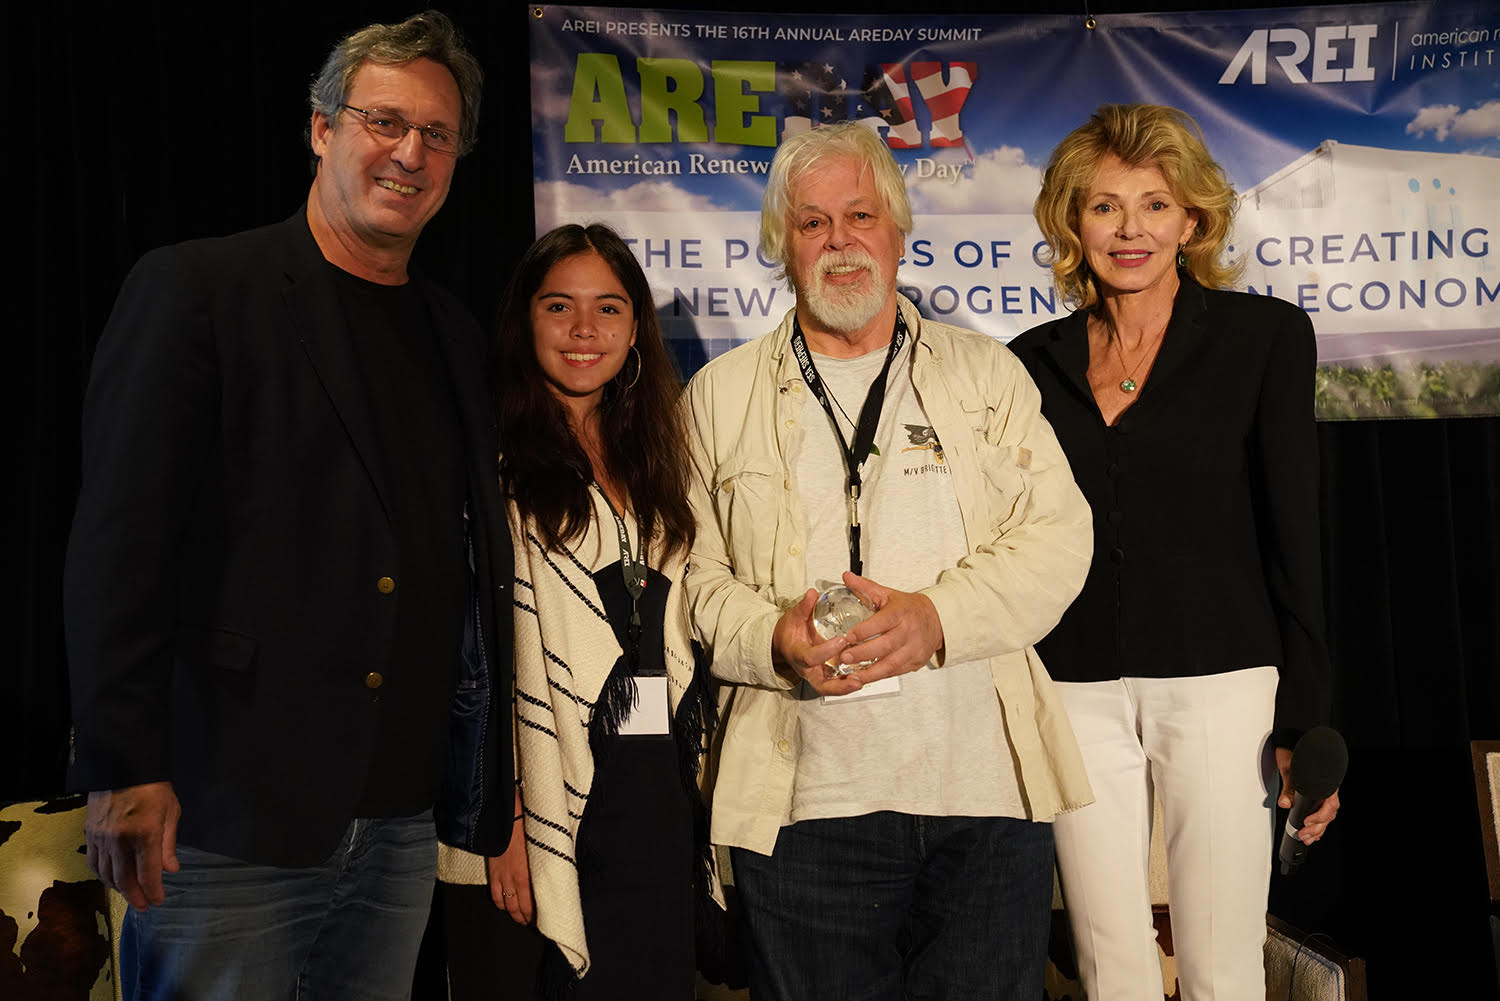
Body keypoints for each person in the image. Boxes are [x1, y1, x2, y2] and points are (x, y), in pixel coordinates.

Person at [63, 11, 515, 999]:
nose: (409, 152)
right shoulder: (198, 289)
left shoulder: (449, 329)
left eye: (437, 134)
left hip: (397, 821)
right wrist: (123, 761)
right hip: (226, 813)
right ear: (322, 129)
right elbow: (118, 544)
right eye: (383, 121)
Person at [682, 121, 1095, 1001]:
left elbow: (1060, 536)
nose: (839, 242)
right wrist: (770, 639)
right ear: (781, 245)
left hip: (983, 802)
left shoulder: (986, 374)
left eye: (860, 215)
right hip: (802, 814)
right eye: (812, 223)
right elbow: (692, 579)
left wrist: (938, 617)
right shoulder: (717, 396)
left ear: (899, 230)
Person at [1007, 103, 1339, 1001]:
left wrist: (1308, 726)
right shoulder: (1027, 362)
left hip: (1221, 679)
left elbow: (1292, 530)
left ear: (1193, 220)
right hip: (1072, 686)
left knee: (1221, 955)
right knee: (1108, 959)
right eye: (1106, 206)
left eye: (1154, 205)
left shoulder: (1263, 340)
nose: (1130, 230)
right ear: (1073, 221)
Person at [436, 224, 716, 1001]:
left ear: (636, 328)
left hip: (650, 800)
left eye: (609, 308)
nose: (584, 331)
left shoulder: (661, 460)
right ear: (525, 320)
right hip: (527, 809)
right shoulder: (483, 459)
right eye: (559, 306)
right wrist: (504, 817)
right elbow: (465, 661)